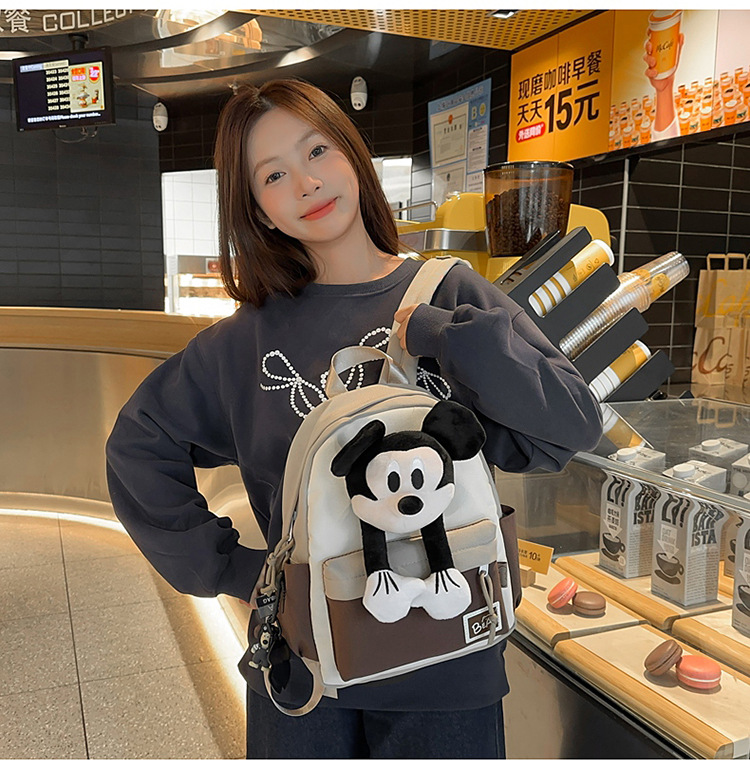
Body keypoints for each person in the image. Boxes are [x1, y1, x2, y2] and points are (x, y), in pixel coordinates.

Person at [105, 78, 604, 759]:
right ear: (257, 209)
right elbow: (139, 443)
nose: (306, 183)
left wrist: (441, 333)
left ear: (352, 154)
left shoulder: (450, 293)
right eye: (273, 175)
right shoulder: (246, 340)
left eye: (317, 151)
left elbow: (568, 425)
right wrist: (234, 570)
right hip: (305, 672)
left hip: (448, 664)